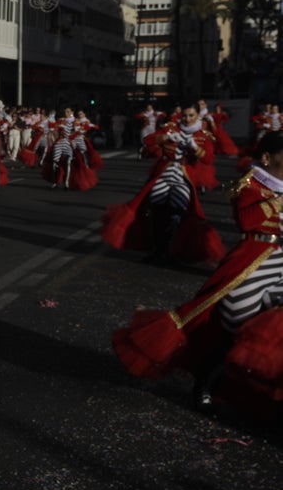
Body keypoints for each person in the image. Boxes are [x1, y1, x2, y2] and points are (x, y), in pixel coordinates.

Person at [114, 131, 283, 411]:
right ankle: (206, 381)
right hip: (253, 260)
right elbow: (246, 220)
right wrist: (277, 201)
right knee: (233, 330)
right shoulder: (250, 183)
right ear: (267, 158)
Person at [101, 104, 225, 265]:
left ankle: (170, 249)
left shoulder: (203, 136)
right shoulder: (171, 128)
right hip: (163, 174)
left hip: (183, 178)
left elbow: (208, 159)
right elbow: (148, 141)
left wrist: (194, 147)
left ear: (197, 116)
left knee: (178, 213)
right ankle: (157, 250)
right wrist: (166, 138)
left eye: (191, 115)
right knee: (156, 212)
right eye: (185, 116)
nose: (187, 119)